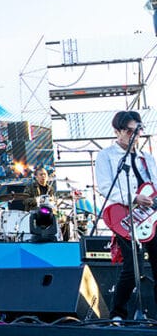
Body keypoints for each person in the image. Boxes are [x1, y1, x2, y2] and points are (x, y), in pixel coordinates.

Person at [95, 111, 157, 321]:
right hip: (125, 216)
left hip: (151, 217)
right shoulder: (106, 156)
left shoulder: (147, 158)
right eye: (129, 131)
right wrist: (134, 198)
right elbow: (105, 187)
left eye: (138, 131)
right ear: (117, 131)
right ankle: (117, 315)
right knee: (132, 267)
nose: (135, 135)